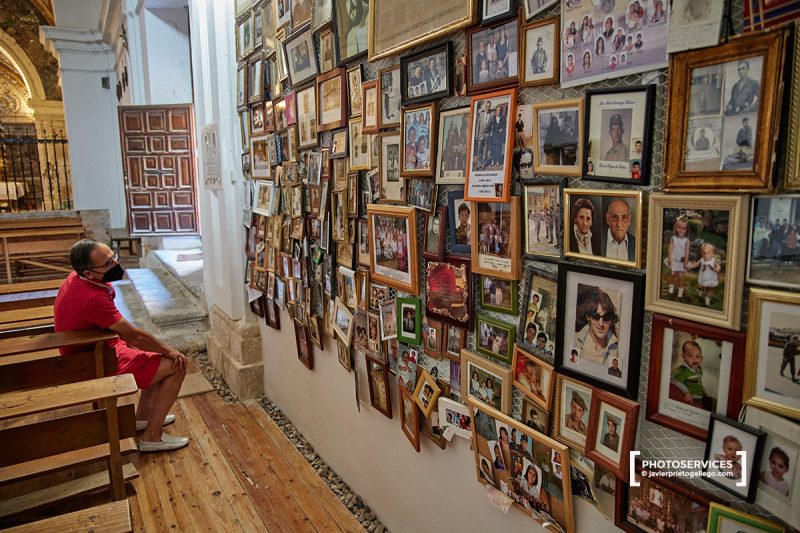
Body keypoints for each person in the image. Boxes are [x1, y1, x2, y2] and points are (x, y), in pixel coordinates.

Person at [54, 240, 189, 452]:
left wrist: (152, 348)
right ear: (89, 273)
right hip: (93, 361)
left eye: (112, 256)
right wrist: (169, 350)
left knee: (152, 357)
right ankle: (152, 437)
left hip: (94, 348)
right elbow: (133, 336)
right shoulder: (91, 298)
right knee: (177, 364)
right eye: (108, 263)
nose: (115, 263)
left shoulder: (78, 277)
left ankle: (142, 419)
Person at [574, 288, 619, 365]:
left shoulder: (618, 351)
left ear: (611, 319)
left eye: (606, 317)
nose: (601, 324)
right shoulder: (573, 340)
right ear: (588, 316)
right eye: (596, 316)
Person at [670, 341, 708, 409]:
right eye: (690, 356)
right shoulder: (683, 370)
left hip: (700, 395)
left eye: (697, 356)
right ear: (683, 357)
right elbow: (676, 381)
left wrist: (703, 390)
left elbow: (698, 381)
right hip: (692, 397)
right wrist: (686, 392)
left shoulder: (699, 369)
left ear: (701, 358)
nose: (694, 359)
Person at [689, 242, 721, 306]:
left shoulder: (714, 260)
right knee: (700, 286)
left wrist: (717, 268)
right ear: (701, 254)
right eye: (704, 253)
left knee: (710, 289)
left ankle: (707, 300)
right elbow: (696, 265)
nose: (706, 255)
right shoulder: (702, 260)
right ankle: (699, 290)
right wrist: (690, 266)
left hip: (711, 278)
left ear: (712, 254)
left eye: (708, 253)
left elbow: (718, 266)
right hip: (703, 278)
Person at [668, 216, 690, 298]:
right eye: (679, 227)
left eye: (683, 228)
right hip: (674, 259)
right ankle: (671, 286)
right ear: (676, 227)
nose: (681, 230)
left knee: (681, 276)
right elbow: (670, 249)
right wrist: (670, 258)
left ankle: (681, 289)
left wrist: (686, 262)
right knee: (673, 273)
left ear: (686, 230)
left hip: (682, 261)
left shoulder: (686, 240)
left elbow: (687, 251)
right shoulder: (673, 238)